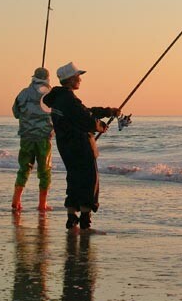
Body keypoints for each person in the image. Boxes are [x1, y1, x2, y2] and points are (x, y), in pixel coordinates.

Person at [42, 61, 120, 230]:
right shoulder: (69, 99)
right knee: (89, 180)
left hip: (66, 146)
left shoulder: (59, 98)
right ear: (70, 79)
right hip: (80, 147)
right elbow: (86, 119)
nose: (80, 80)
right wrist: (101, 126)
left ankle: (72, 218)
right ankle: (85, 221)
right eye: (78, 76)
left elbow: (84, 111)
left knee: (74, 179)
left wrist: (107, 111)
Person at [11, 67, 55, 213]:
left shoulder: (23, 93)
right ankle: (42, 204)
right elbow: (58, 115)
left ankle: (16, 201)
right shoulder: (50, 94)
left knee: (24, 168)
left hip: (26, 137)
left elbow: (16, 113)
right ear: (47, 79)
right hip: (43, 138)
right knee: (44, 170)